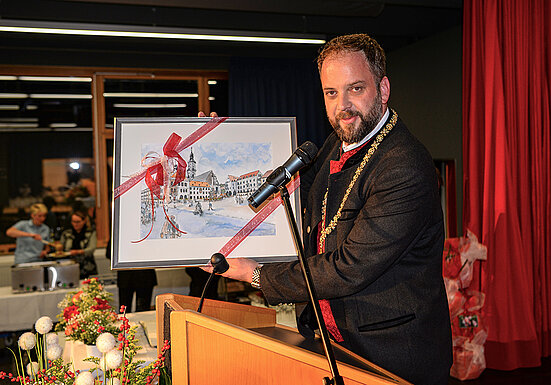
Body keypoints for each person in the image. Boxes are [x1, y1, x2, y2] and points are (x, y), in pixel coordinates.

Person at [201, 34, 452, 384]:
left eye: (356, 89)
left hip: (391, 356)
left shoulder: (404, 166)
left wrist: (255, 274)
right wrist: (218, 146)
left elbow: (349, 268)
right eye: (331, 93)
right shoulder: (337, 143)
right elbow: (298, 208)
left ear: (383, 89)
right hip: (332, 345)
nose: (343, 106)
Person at [105, 241, 157, 313]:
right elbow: (109, 253)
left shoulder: (121, 233)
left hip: (140, 276)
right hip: (132, 276)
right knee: (126, 311)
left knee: (140, 310)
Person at [59, 210, 98, 278]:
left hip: (87, 267)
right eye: (73, 222)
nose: (75, 224)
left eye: (78, 222)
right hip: (69, 267)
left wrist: (78, 252)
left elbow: (91, 248)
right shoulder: (66, 233)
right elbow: (62, 248)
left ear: (84, 221)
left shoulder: (90, 233)